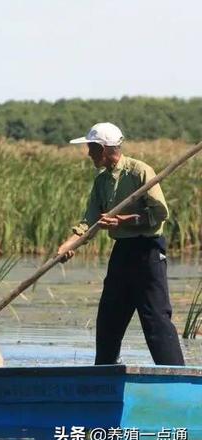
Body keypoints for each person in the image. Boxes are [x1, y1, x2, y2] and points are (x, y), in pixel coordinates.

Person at [57, 122, 185, 366]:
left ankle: (175, 375)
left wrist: (122, 220)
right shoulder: (102, 181)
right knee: (109, 317)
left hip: (148, 252)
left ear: (103, 148)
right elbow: (90, 222)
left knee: (155, 318)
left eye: (91, 148)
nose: (88, 153)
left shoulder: (140, 172)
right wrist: (68, 245)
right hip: (122, 252)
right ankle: (104, 371)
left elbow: (160, 214)